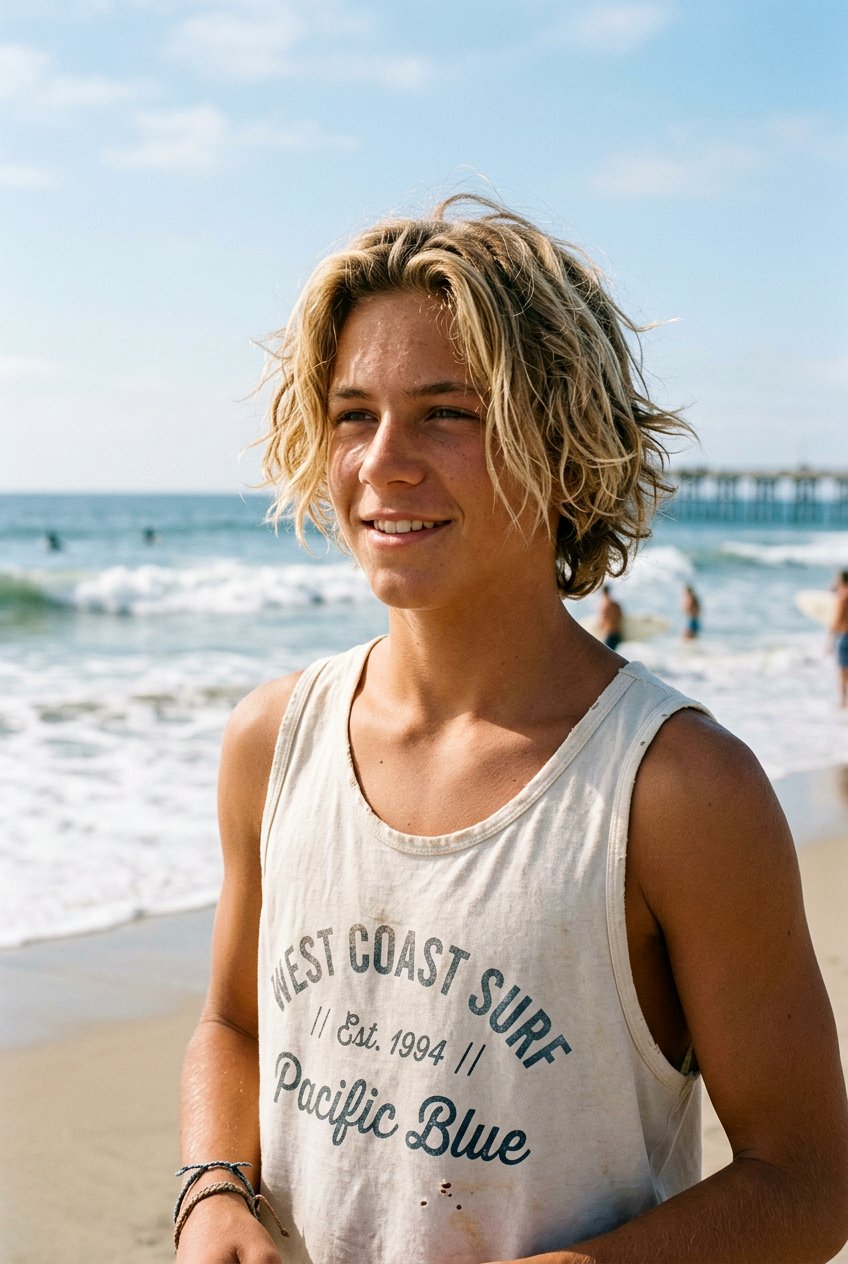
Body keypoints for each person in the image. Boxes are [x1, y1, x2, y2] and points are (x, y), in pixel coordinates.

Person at [177, 196, 848, 1263]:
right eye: (352, 414)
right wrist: (213, 1193)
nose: (382, 463)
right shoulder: (274, 741)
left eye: (445, 411)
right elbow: (234, 1028)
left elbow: (808, 1181)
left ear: (561, 437)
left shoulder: (673, 790)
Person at [831, 569, 848, 707]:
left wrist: (829, 640)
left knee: (842, 672)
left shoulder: (842, 598)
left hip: (844, 637)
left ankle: (843, 702)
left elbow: (837, 620)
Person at [597, 584, 624, 650]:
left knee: (604, 656)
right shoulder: (616, 604)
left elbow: (602, 622)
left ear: (603, 592)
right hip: (618, 634)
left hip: (610, 635)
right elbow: (620, 617)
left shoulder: (604, 605)